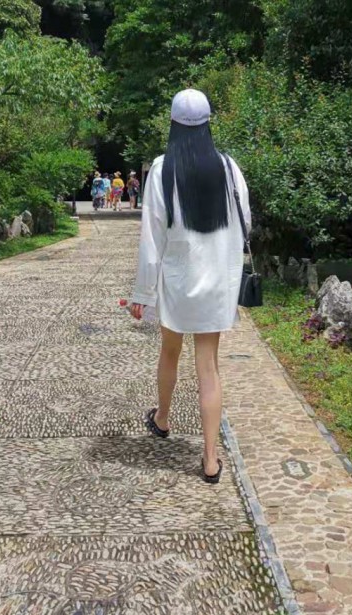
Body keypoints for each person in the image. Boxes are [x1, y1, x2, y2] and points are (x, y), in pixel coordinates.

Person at [130, 89, 250, 484]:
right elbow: (245, 222)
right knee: (208, 367)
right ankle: (211, 460)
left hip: (178, 283)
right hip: (217, 283)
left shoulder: (162, 169)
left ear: (173, 124)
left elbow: (152, 238)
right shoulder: (229, 167)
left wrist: (142, 293)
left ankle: (163, 418)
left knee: (170, 351)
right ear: (208, 124)